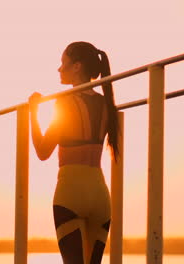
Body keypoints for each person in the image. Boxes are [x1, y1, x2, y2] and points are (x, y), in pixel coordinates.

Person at [28, 41, 120, 264]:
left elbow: (42, 151)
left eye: (63, 63)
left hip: (71, 194)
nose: (59, 69)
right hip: (100, 196)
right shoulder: (107, 103)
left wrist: (33, 112)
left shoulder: (65, 101)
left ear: (77, 66)